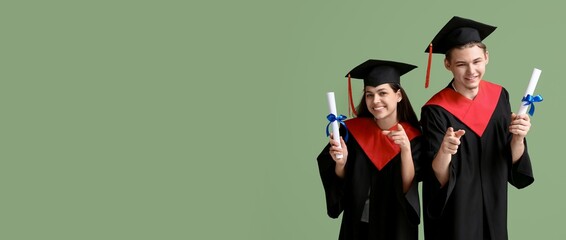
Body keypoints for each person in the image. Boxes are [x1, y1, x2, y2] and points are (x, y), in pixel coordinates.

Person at [420, 16, 535, 240]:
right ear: (448, 64)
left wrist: (518, 138)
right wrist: (445, 152)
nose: (471, 71)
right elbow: (438, 178)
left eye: (476, 61)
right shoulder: (435, 109)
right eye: (461, 64)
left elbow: (508, 159)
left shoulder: (499, 95)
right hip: (456, 214)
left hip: (495, 204)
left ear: (486, 57)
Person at [316, 59, 423, 240]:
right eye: (369, 94)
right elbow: (342, 185)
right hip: (358, 227)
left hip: (397, 228)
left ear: (398, 96)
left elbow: (408, 188)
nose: (375, 101)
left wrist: (405, 150)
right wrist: (341, 164)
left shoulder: (413, 137)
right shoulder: (351, 132)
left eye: (382, 93)